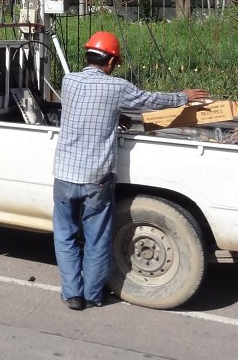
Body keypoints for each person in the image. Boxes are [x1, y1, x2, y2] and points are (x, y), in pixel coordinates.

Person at [53, 31, 208, 311]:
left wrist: (115, 115)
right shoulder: (117, 88)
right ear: (111, 62)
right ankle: (93, 295)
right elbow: (149, 101)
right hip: (96, 179)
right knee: (97, 237)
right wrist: (182, 96)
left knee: (65, 236)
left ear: (88, 55)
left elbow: (84, 108)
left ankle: (72, 295)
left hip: (64, 175)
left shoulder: (69, 81)